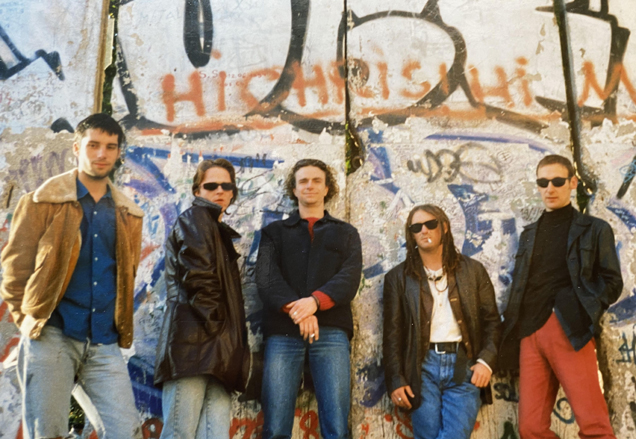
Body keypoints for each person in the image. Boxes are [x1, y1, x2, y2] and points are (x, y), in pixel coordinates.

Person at [0, 113, 144, 439]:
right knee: (46, 434)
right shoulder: (42, 202)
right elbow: (15, 271)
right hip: (52, 336)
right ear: (77, 148)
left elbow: (126, 275)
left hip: (104, 342)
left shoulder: (128, 214)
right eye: (93, 145)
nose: (101, 154)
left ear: (118, 152)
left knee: (127, 432)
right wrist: (30, 324)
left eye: (110, 146)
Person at [499, 155, 623, 438]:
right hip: (530, 332)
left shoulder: (594, 229)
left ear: (572, 183)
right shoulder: (529, 234)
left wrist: (576, 308)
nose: (550, 189)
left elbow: (612, 282)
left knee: (594, 425)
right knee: (531, 428)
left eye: (557, 181)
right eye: (543, 182)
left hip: (568, 328)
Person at [256, 159, 362, 439]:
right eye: (303, 181)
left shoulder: (346, 233)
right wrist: (299, 311)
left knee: (336, 426)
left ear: (327, 188)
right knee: (275, 427)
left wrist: (313, 303)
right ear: (294, 189)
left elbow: (349, 278)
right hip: (283, 332)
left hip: (331, 332)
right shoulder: (273, 233)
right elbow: (266, 279)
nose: (310, 186)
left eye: (316, 180)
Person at [383, 204, 501, 439]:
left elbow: (492, 322)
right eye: (416, 227)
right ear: (411, 234)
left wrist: (485, 362)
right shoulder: (398, 278)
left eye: (431, 224)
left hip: (463, 365)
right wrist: (396, 379)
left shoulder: (473, 271)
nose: (424, 230)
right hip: (421, 368)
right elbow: (392, 334)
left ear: (444, 227)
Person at [154, 158, 250, 439]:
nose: (219, 190)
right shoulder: (195, 219)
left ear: (233, 192)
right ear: (197, 191)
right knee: (179, 434)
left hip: (215, 351)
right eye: (211, 185)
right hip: (193, 347)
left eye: (226, 186)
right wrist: (222, 332)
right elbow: (199, 279)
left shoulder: (215, 229)